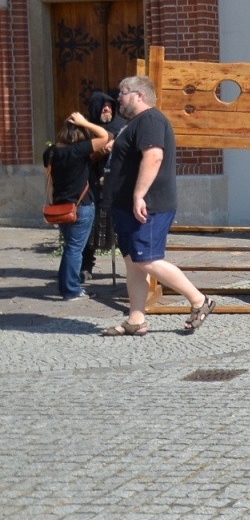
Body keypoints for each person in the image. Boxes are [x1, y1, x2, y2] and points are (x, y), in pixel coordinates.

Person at [100, 75, 213, 336]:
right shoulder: (135, 124)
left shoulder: (150, 119)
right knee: (133, 263)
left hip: (148, 205)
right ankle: (136, 320)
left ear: (140, 95)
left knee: (147, 260)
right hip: (126, 207)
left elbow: (154, 157)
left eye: (123, 92)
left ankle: (199, 300)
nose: (118, 97)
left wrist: (139, 195)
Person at [43, 112, 112, 299]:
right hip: (81, 206)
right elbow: (105, 137)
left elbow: (49, 181)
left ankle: (65, 285)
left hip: (60, 207)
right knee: (75, 248)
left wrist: (51, 201)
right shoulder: (79, 150)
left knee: (69, 247)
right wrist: (85, 122)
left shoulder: (50, 152)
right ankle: (71, 290)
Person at [82, 90, 125, 282]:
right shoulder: (85, 131)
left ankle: (135, 266)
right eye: (103, 106)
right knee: (90, 230)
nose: (107, 109)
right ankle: (85, 266)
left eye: (109, 106)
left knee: (121, 228)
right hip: (92, 184)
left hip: (116, 185)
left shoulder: (122, 127)